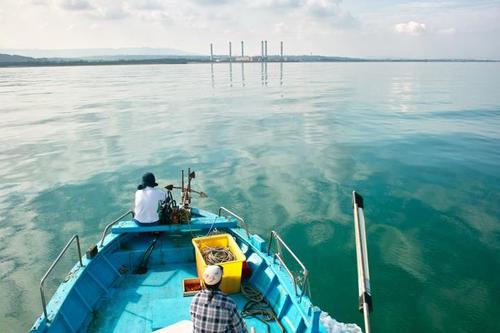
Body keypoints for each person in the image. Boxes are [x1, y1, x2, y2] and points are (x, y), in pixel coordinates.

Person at [190, 265, 248, 333]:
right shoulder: (229, 303)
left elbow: (193, 319)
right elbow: (238, 329)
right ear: (220, 281)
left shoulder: (196, 298)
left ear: (204, 281)